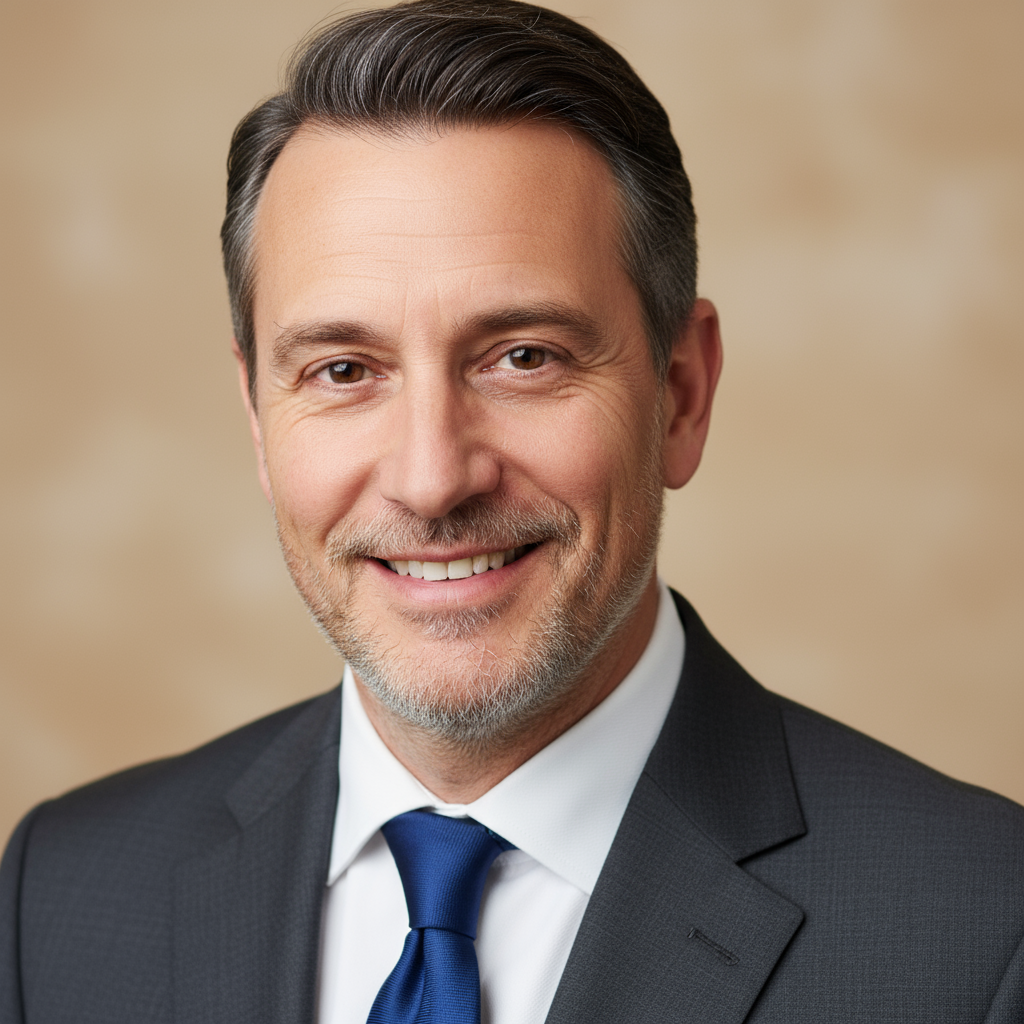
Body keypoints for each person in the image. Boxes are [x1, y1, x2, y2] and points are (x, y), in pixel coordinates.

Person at [2, 1, 1022, 1021]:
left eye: (523, 357)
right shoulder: (61, 895)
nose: (432, 478)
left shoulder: (980, 930)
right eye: (344, 369)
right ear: (261, 419)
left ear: (681, 394)